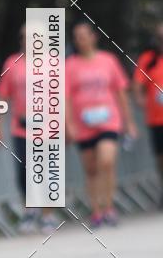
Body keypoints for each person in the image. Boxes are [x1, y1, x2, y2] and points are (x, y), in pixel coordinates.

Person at [65, 21, 137, 228]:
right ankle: (96, 211)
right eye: (77, 36)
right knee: (91, 169)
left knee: (106, 161)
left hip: (108, 120)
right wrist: (69, 124)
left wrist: (129, 121)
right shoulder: (70, 66)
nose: (81, 40)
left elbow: (120, 92)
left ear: (93, 37)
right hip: (83, 123)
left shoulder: (108, 61)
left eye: (84, 35)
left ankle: (109, 207)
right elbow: (66, 97)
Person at [0, 24, 59, 233]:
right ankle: (30, 210)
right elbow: (2, 97)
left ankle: (48, 215)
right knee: (24, 171)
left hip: (48, 127)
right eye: (23, 37)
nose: (26, 40)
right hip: (22, 127)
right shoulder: (12, 63)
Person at [133, 22, 163, 204]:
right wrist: (139, 98)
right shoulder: (149, 59)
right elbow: (137, 83)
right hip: (156, 119)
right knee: (161, 157)